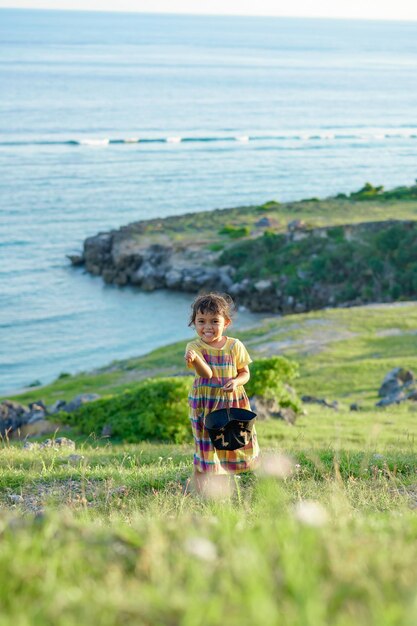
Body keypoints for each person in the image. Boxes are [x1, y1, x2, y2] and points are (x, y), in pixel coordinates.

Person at [184, 292, 259, 490]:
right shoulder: (194, 347)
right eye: (201, 321)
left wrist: (235, 382)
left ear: (225, 322)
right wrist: (196, 359)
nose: (207, 327)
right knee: (205, 443)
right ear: (194, 323)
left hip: (232, 401)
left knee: (234, 440)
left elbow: (245, 373)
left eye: (214, 321)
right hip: (205, 403)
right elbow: (206, 374)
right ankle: (199, 487)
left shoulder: (235, 345)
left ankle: (227, 485)